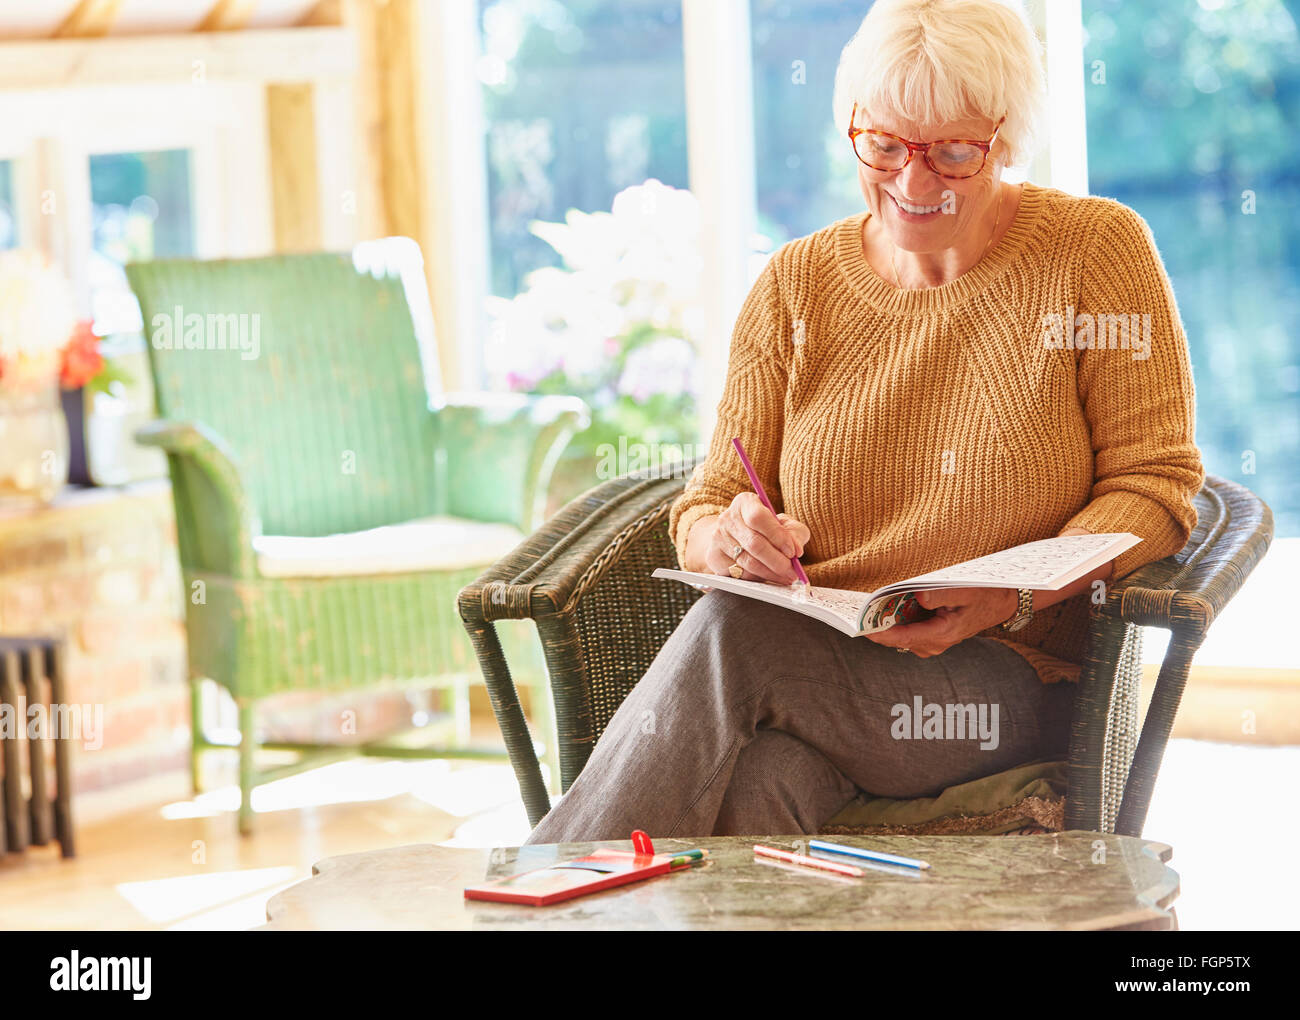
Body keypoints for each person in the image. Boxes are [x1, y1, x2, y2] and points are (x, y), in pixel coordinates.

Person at [524, 0, 1203, 844]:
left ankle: (546, 888)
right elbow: (707, 503)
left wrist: (1007, 593)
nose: (913, 185)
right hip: (823, 675)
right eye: (883, 146)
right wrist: (726, 539)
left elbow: (1159, 487)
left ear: (1010, 138)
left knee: (742, 635)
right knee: (763, 784)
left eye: (954, 152)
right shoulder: (796, 283)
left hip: (1012, 682)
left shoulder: (1095, 252)